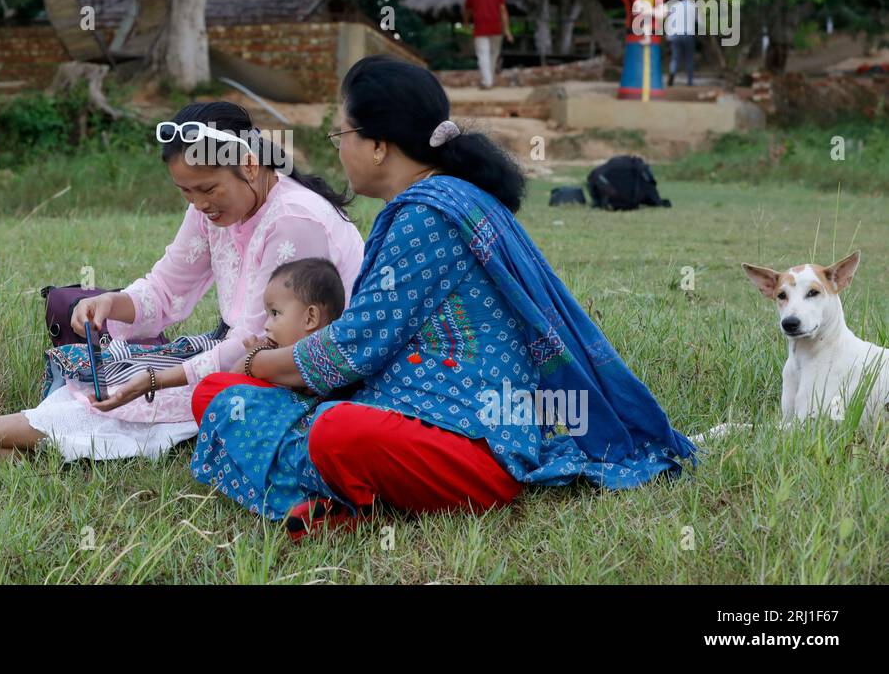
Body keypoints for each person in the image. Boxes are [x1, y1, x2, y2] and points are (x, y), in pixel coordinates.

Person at [189, 56, 698, 537]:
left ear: (379, 145)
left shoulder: (426, 217)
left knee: (335, 430)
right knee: (213, 392)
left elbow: (351, 350)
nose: (339, 147)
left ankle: (330, 486)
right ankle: (338, 492)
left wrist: (258, 363)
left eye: (342, 134)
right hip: (407, 406)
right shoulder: (441, 198)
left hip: (473, 443)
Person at [0, 102, 364, 470]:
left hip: (290, 376)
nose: (199, 205)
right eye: (185, 192)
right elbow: (166, 290)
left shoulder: (294, 223)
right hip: (239, 352)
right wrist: (112, 303)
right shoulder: (213, 210)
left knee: (141, 395)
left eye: (209, 189)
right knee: (102, 380)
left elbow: (256, 348)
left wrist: (157, 378)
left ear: (251, 166)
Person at [616, 0, 667, 100]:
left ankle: (651, 96)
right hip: (633, 35)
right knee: (633, 67)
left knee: (650, 70)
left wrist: (648, 11)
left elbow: (662, 11)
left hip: (652, 35)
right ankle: (630, 94)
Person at [461, 0, 514, 90]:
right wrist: (507, 30)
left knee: (482, 55)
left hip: (480, 29)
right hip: (496, 28)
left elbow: (467, 10)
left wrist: (466, 23)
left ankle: (487, 81)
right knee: (493, 55)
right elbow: (503, 12)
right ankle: (489, 81)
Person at [665, 0, 697, 86]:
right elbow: (700, 21)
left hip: (675, 35)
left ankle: (672, 74)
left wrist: (668, 37)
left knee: (675, 58)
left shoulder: (674, 6)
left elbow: (669, 22)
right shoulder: (693, 6)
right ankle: (690, 81)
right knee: (689, 58)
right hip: (688, 34)